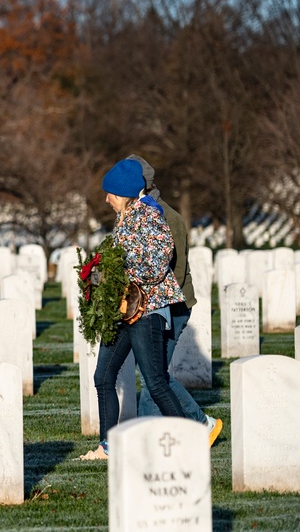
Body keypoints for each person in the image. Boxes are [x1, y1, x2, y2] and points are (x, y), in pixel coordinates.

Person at [81, 158, 187, 460]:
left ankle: (186, 440)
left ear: (125, 192)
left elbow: (157, 263)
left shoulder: (151, 217)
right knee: (103, 376)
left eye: (110, 193)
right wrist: (96, 274)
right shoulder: (125, 217)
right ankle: (108, 446)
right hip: (122, 311)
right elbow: (118, 259)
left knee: (155, 382)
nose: (106, 199)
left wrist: (119, 270)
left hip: (147, 311)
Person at [127, 155, 223, 446]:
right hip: (153, 307)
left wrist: (152, 307)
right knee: (153, 374)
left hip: (171, 307)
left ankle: (197, 424)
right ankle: (186, 427)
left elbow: (175, 272)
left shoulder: (167, 217)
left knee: (154, 376)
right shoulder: (136, 214)